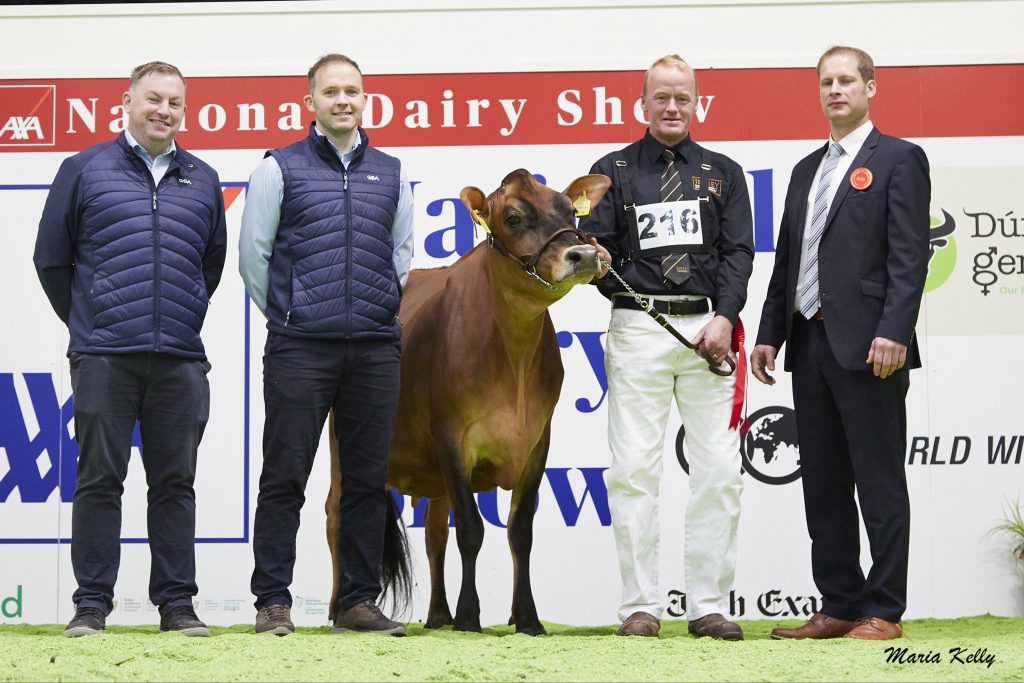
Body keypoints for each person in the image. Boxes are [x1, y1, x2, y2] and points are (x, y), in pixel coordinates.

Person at [33, 61, 227, 638]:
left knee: (175, 484)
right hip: (104, 358)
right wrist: (91, 324)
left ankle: (176, 606)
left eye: (175, 102)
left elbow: (208, 265)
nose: (164, 110)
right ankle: (91, 605)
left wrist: (180, 314)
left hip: (179, 360)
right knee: (98, 480)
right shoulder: (83, 169)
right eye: (154, 99)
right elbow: (51, 260)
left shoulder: (204, 178)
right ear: (128, 101)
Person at [751, 46, 930, 641]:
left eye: (847, 80)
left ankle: (884, 610)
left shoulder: (901, 159)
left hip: (873, 347)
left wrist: (894, 331)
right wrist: (770, 333)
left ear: (871, 87)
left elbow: (909, 258)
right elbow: (789, 263)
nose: (835, 90)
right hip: (811, 344)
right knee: (823, 482)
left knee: (879, 481)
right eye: (826, 82)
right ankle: (838, 604)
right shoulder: (806, 170)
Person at [239, 53, 414, 636]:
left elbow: (401, 257)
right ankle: (272, 601)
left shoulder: (390, 171)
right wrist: (291, 317)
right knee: (285, 474)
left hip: (373, 348)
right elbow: (253, 258)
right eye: (331, 92)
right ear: (309, 102)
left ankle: (357, 602)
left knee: (367, 480)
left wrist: (373, 308)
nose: (343, 100)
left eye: (353, 91)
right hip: (299, 348)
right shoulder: (278, 168)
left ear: (365, 100)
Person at [580, 54, 754, 640]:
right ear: (644, 104)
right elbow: (595, 258)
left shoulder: (725, 173)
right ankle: (640, 606)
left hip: (710, 332)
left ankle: (707, 604)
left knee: (719, 473)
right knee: (632, 471)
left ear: (697, 102)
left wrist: (726, 318)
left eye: (683, 97)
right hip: (639, 327)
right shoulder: (611, 171)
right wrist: (597, 263)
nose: (673, 107)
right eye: (662, 98)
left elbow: (738, 254)